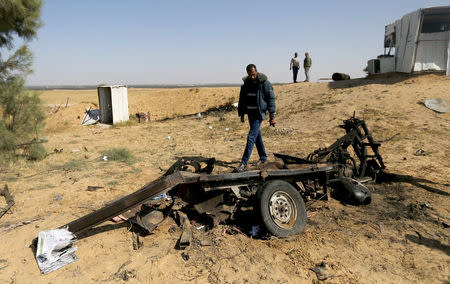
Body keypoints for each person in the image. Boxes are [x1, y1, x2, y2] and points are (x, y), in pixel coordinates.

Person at [233, 64, 276, 173]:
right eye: (249, 75)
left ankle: (243, 163)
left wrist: (272, 117)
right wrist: (241, 114)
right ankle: (263, 158)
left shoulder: (264, 83)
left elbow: (271, 100)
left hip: (258, 114)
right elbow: (242, 99)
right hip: (250, 114)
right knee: (257, 136)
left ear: (256, 71)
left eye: (253, 74)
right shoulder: (246, 83)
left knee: (251, 137)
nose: (252, 77)